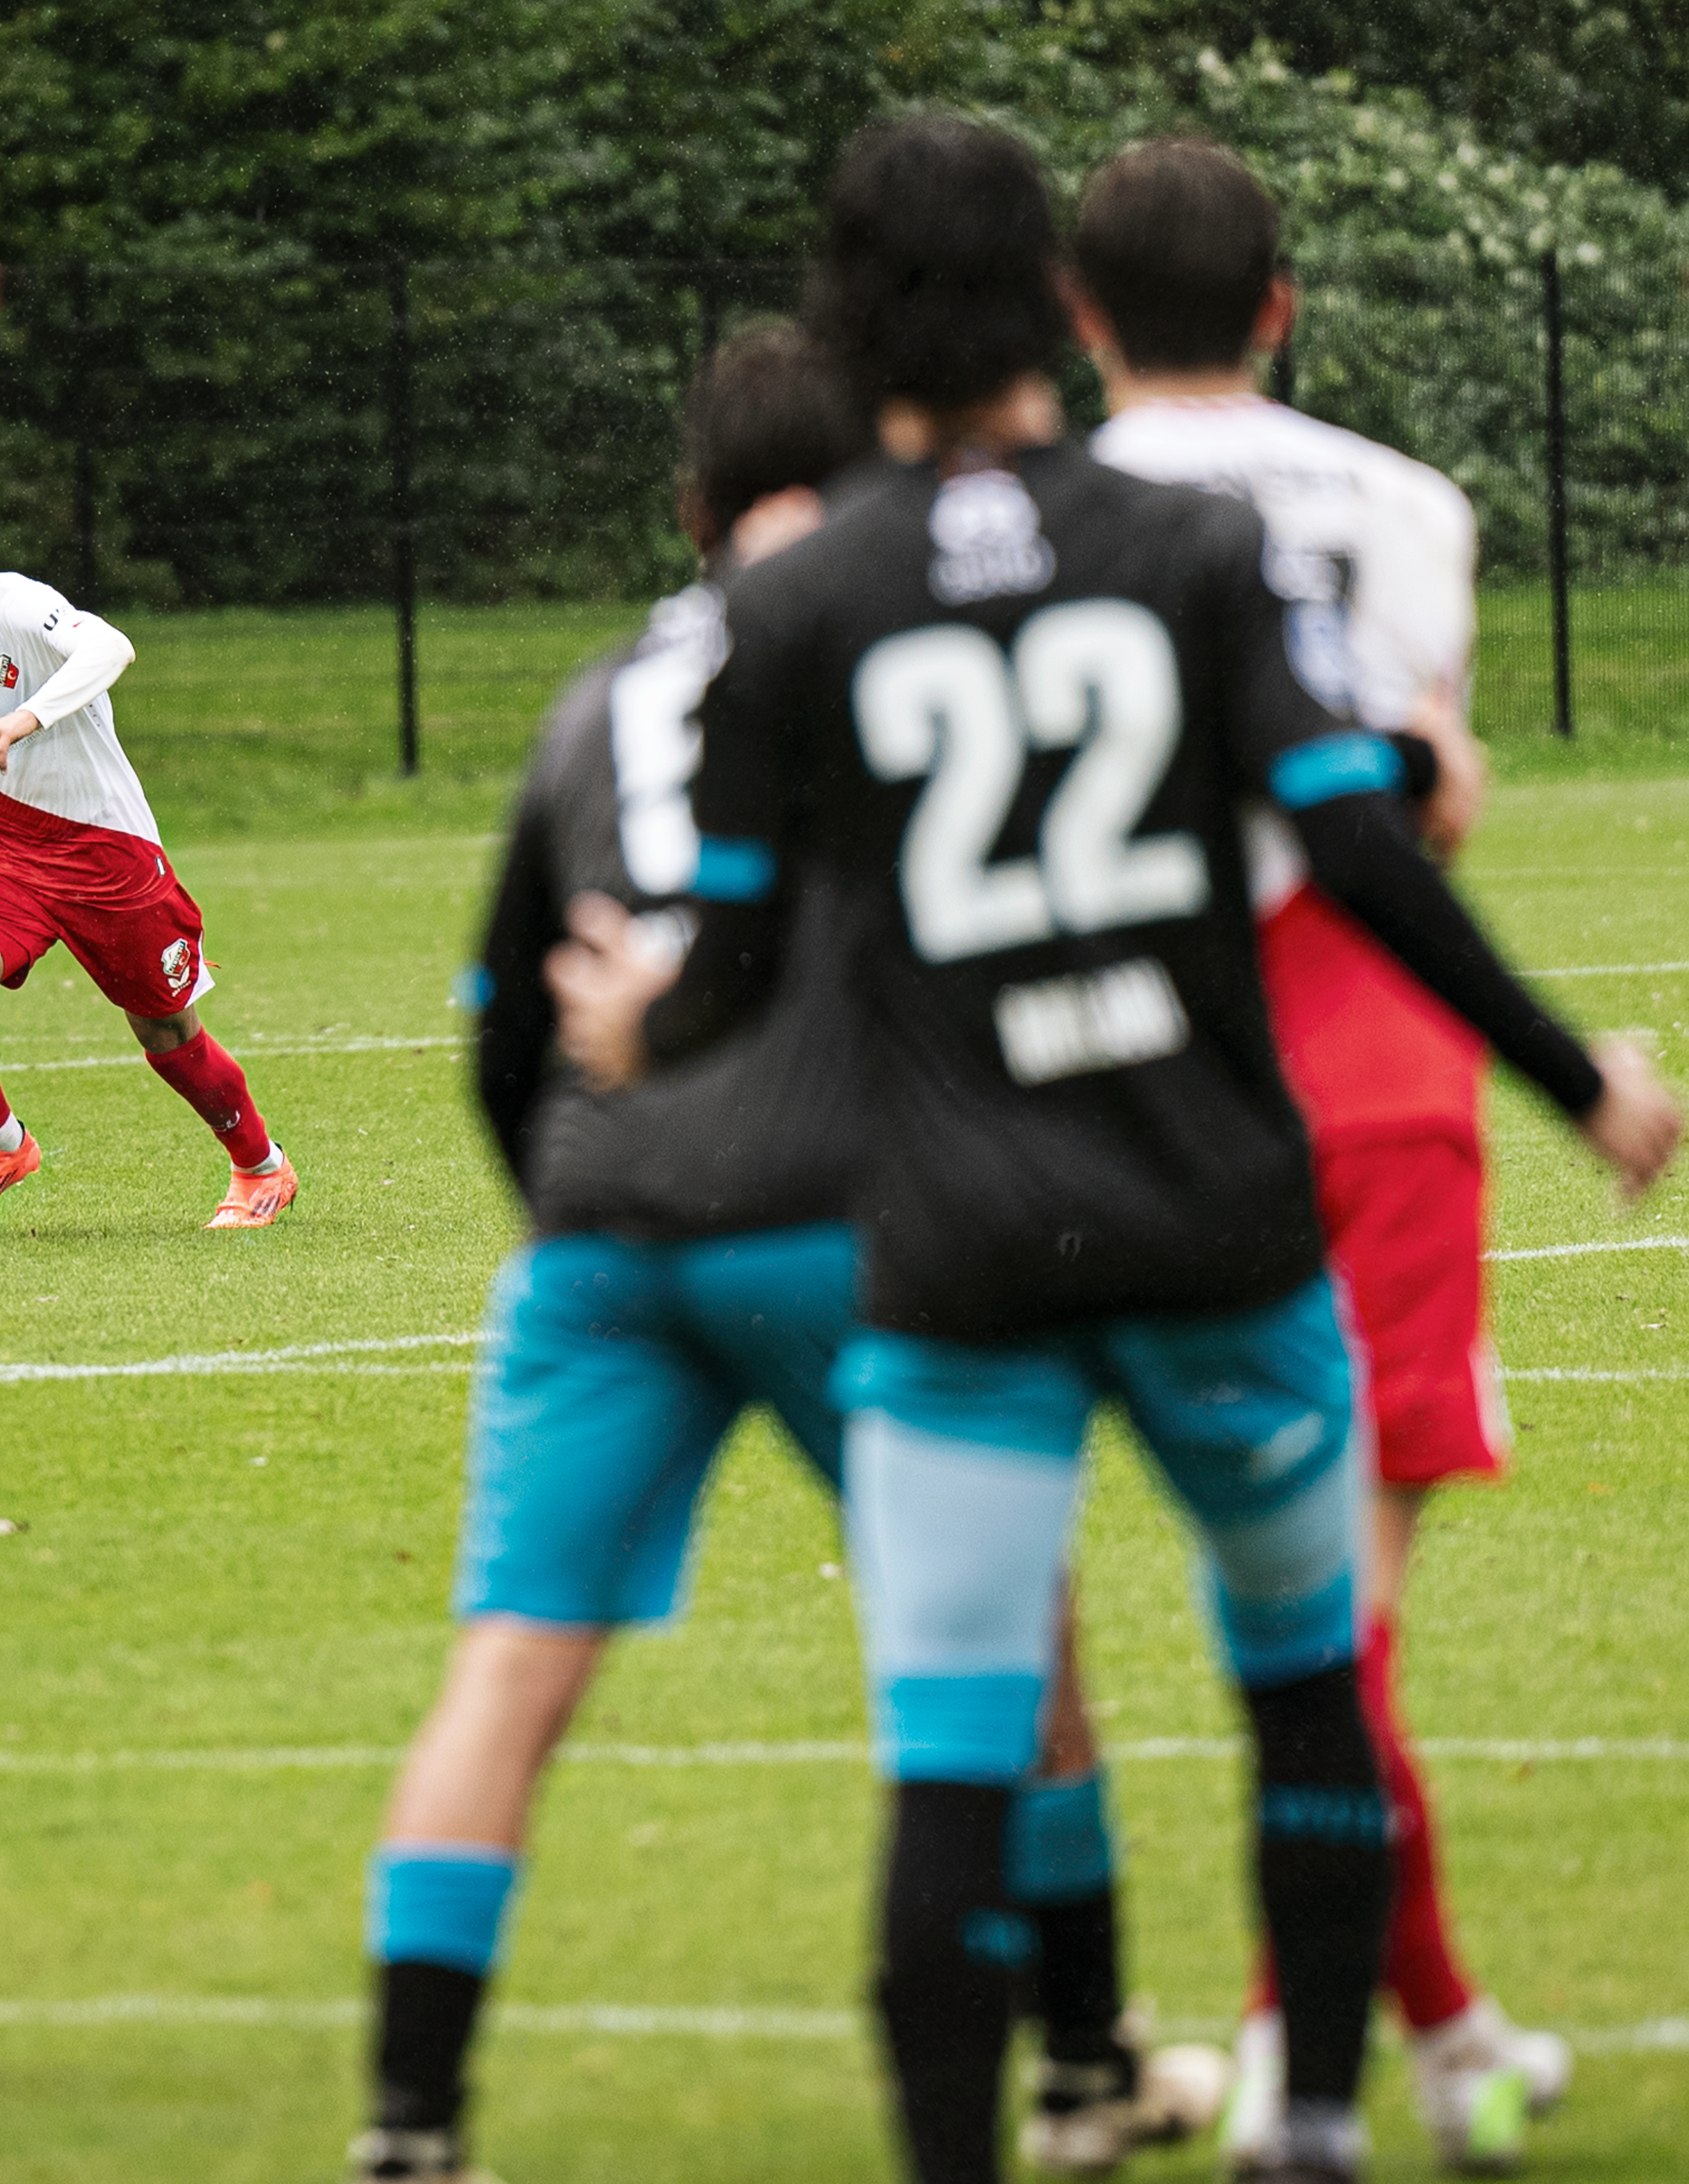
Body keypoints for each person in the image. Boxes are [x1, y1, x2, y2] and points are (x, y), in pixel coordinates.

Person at [546, 117, 1676, 2184]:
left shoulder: (793, 601)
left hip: (959, 1244)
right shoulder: (1185, 549)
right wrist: (1564, 1076)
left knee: (954, 1762)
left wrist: (638, 1023)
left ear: (843, 311)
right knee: (1302, 1683)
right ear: (1045, 311)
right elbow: (1354, 840)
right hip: (1209, 1213)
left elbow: (724, 948)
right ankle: (1314, 2123)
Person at [344, 325, 1220, 2184]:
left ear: (682, 509)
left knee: (507, 1670)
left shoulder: (592, 696)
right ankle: (1078, 2065)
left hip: (596, 1228)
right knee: (1011, 1629)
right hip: (830, 1222)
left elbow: (502, 1019)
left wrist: (575, 1217)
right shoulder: (871, 652)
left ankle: (408, 2126)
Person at [1071, 136, 1576, 2174]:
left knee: (1158, 1611)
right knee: (1329, 1621)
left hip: (1098, 1075)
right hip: (1358, 1069)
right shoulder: (1398, 505)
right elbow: (1405, 808)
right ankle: (1331, 2057)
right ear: (1278, 304)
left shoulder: (1005, 520)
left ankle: (1427, 2033)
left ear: (1077, 318)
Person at [0, 488, 299, 1236]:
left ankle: (260, 1166)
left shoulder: (19, 606)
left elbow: (111, 648)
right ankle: (2, 1148)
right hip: (3, 848)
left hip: (106, 853)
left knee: (165, 1031)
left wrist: (25, 717)